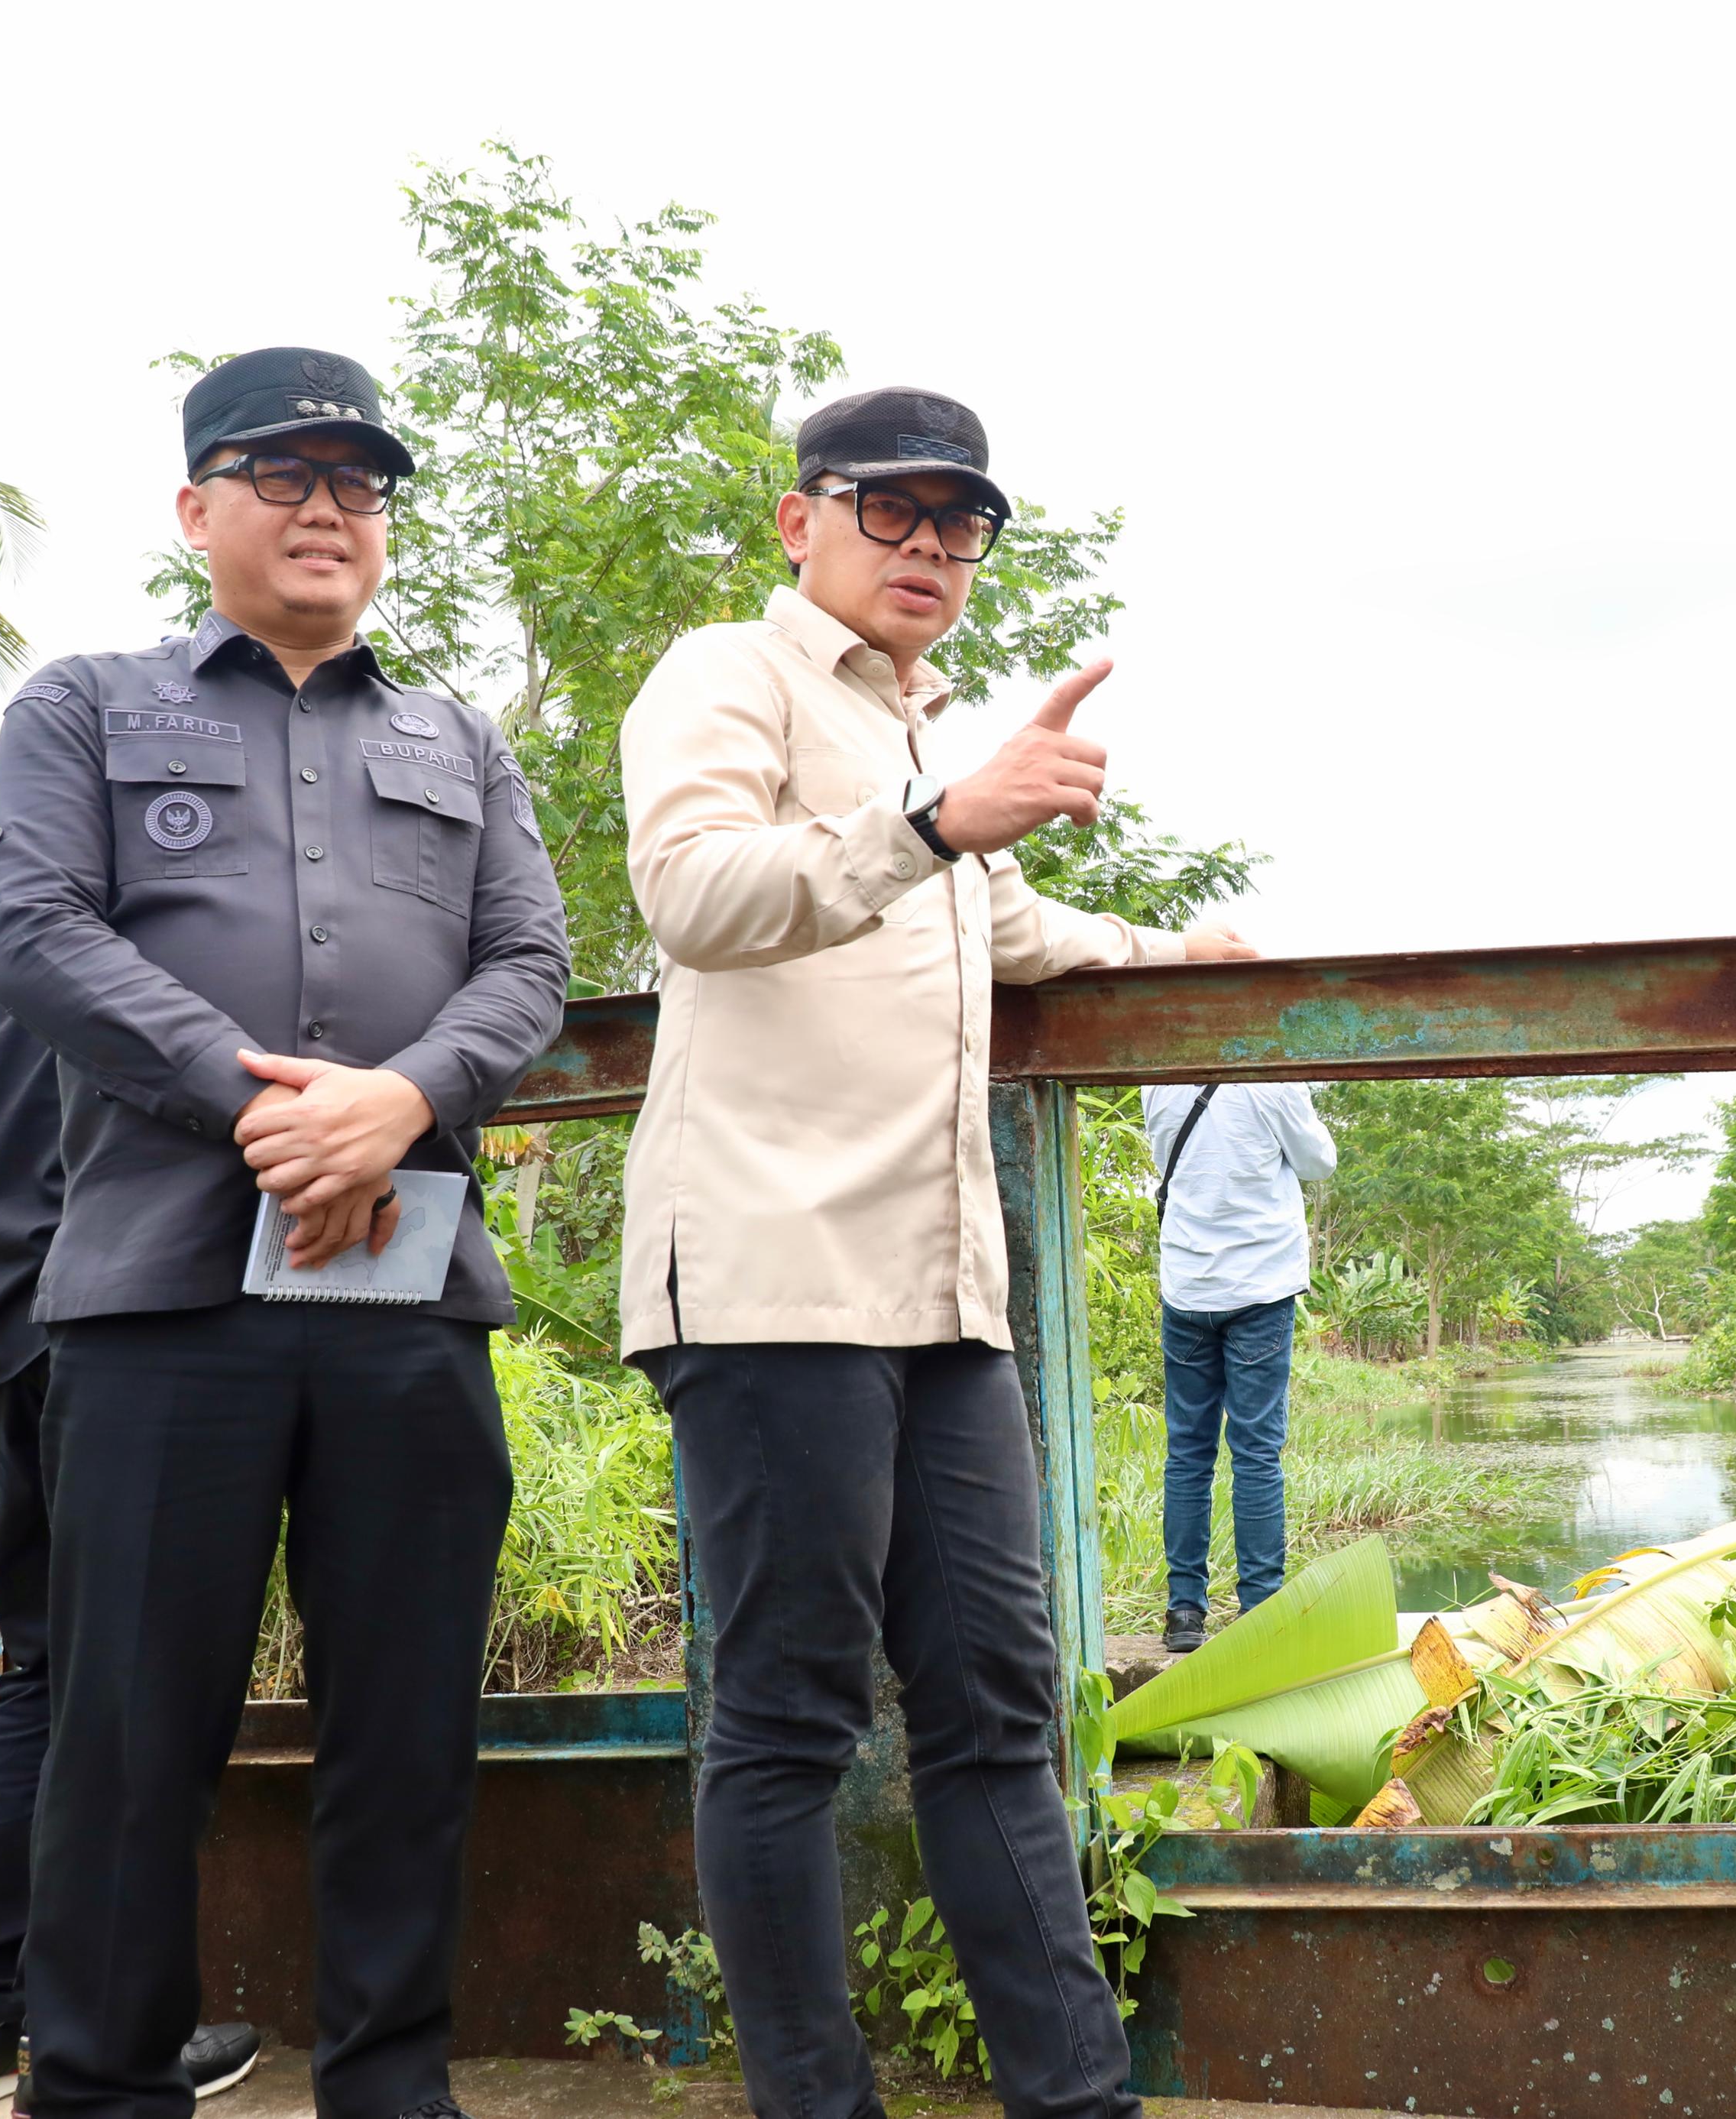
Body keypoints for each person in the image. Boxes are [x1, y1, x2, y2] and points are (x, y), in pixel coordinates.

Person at [614, 384, 1254, 2119]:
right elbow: (692, 892)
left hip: (942, 1295)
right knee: (791, 1720)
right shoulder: (725, 678)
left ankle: (1076, 2098)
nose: (925, 549)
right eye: (887, 512)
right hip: (766, 1279)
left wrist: (1177, 957)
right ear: (799, 521)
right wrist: (939, 819)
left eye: (956, 522)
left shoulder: (925, 732)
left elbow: (1014, 931)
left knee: (991, 1708)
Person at [0, 347, 570, 2119]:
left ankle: (391, 2088)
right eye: (283, 472)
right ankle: (96, 2084)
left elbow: (529, 963)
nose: (328, 507)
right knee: (130, 1738)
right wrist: (257, 1104)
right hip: (159, 1297)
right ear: (195, 509)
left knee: (404, 1734)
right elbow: (31, 928)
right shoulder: (84, 705)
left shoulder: (453, 736)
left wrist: (393, 1105)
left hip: (403, 1281)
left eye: (360, 483)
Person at [0, 904, 258, 2119]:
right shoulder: (188, 870)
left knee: (50, 1666)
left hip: (4, 1319)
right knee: (132, 1683)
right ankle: (105, 2033)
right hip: (122, 1307)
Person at [1143, 1081, 1337, 1652]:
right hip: (1259, 1288)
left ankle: (1184, 1613)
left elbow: (1171, 1160)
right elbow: (1319, 1161)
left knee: (1187, 1455)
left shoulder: (1156, 1081)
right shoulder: (1271, 1082)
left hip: (1187, 1287)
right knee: (1254, 1453)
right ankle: (1260, 1611)